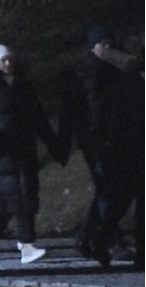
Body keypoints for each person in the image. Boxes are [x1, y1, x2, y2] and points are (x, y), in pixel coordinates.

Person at [0, 44, 64, 264]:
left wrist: (54, 145)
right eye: (3, 59)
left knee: (25, 199)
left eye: (10, 58)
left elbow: (39, 118)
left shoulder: (24, 87)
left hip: (22, 152)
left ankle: (27, 245)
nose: (8, 63)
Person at [59, 26, 144, 266]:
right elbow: (79, 111)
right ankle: (98, 239)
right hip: (107, 143)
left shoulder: (121, 72)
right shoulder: (94, 73)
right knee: (114, 194)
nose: (108, 49)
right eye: (102, 44)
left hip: (127, 141)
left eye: (110, 44)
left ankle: (97, 239)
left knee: (125, 196)